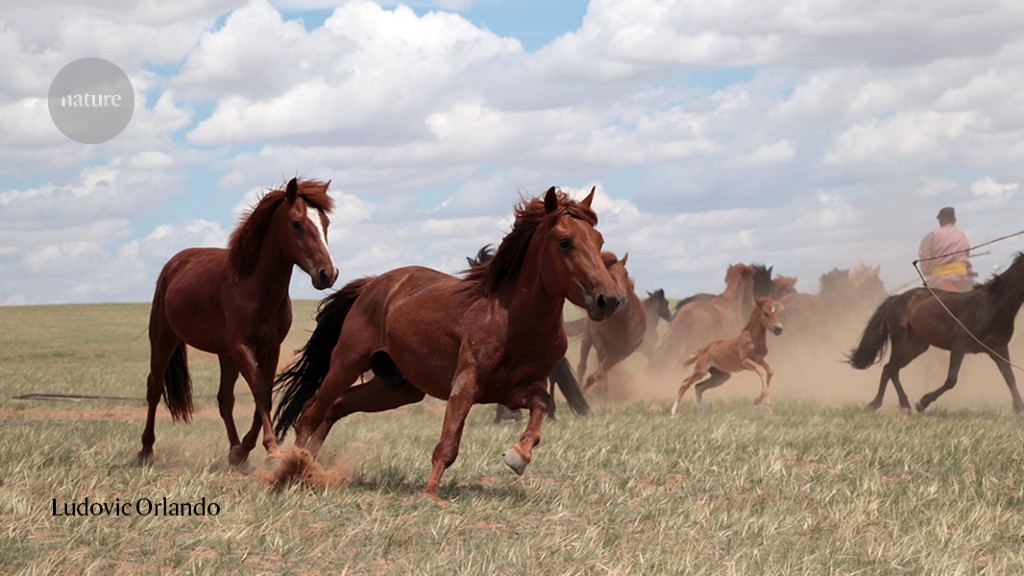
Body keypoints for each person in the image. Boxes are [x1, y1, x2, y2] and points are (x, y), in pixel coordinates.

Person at [918, 206, 973, 291]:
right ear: (954, 220)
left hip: (940, 280)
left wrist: (927, 272)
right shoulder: (962, 235)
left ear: (940, 220)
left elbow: (925, 257)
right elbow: (966, 254)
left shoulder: (932, 235)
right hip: (963, 279)